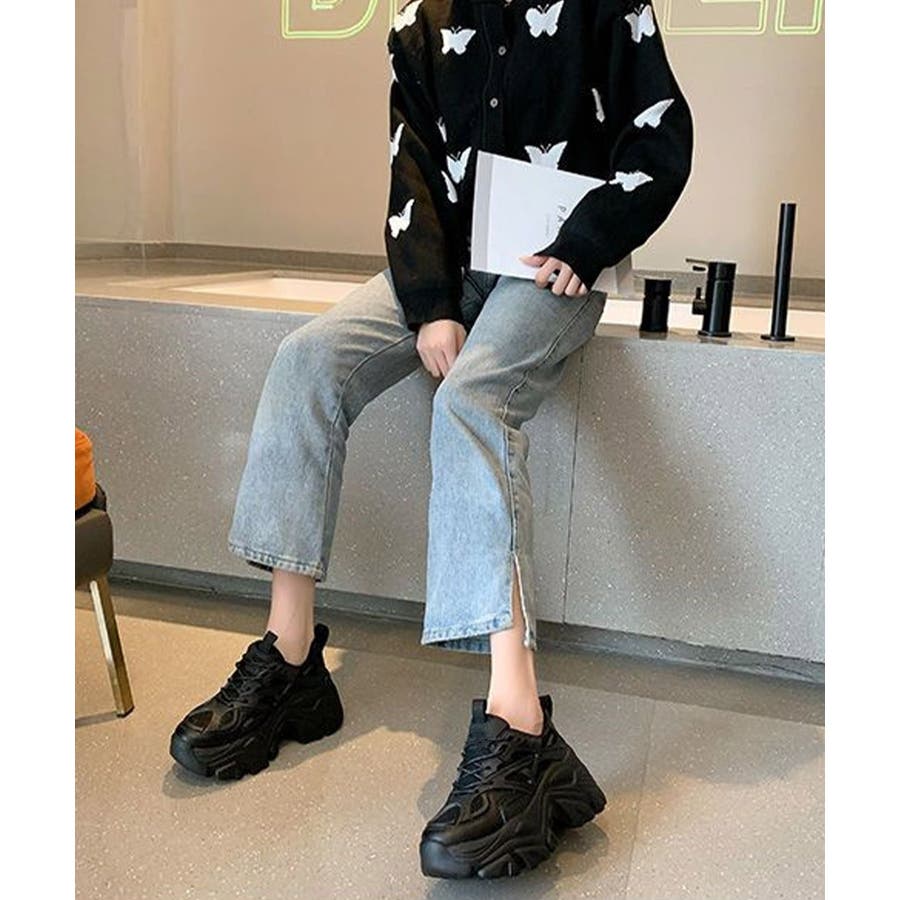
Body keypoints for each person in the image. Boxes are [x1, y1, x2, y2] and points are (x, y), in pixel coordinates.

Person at [169, 0, 692, 880]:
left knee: (470, 402)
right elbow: (409, 167)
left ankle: (520, 724)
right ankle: (291, 660)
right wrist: (429, 303)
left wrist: (586, 242)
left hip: (554, 271)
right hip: (445, 265)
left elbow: (659, 133)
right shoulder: (420, 17)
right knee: (306, 360)